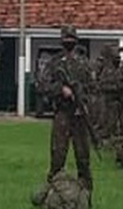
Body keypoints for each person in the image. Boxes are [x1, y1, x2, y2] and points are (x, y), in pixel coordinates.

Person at [38, 25, 95, 195]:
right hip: (62, 113)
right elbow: (41, 85)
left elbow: (93, 87)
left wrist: (83, 99)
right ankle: (53, 193)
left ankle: (85, 194)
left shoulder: (84, 63)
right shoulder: (54, 63)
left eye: (72, 40)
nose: (69, 42)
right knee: (58, 155)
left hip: (80, 115)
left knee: (83, 157)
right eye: (66, 40)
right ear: (62, 41)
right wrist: (60, 90)